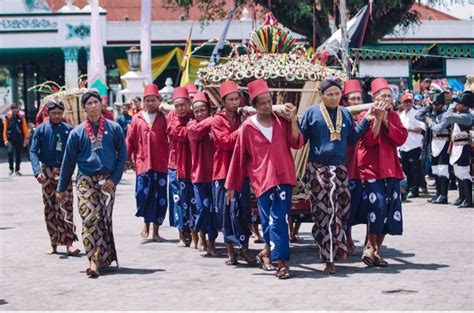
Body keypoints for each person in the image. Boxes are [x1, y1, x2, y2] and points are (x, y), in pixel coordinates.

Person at [226, 79, 304, 279]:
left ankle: (281, 263)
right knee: (269, 222)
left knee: (279, 219)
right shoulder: (248, 128)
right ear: (254, 106)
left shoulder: (282, 121)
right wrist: (232, 186)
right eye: (262, 103)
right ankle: (269, 254)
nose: (267, 106)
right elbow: (239, 157)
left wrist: (293, 119)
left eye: (269, 101)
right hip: (262, 180)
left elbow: (296, 143)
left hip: (284, 176)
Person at [299, 78, 375, 274]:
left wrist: (366, 120)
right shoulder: (312, 113)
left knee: (341, 211)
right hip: (318, 170)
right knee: (325, 213)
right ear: (321, 94)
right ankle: (329, 259)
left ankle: (323, 239)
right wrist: (290, 121)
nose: (334, 98)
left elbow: (350, 140)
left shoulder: (345, 114)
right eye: (330, 94)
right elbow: (299, 140)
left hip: (340, 170)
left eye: (337, 94)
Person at [56, 91, 127, 278]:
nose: (93, 106)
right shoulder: (76, 132)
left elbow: (123, 155)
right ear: (84, 107)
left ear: (101, 105)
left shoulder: (114, 128)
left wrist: (114, 179)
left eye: (96, 102)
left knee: (103, 220)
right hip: (85, 180)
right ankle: (92, 262)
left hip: (107, 181)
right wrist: (61, 188)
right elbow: (68, 161)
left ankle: (103, 257)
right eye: (89, 103)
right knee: (89, 219)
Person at [358, 78, 408, 268]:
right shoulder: (365, 114)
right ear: (373, 97)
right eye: (382, 95)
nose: (386, 99)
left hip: (391, 169)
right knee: (377, 206)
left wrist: (386, 120)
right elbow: (370, 141)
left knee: (389, 209)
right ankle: (369, 245)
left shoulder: (394, 116)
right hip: (371, 169)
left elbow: (400, 139)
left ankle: (377, 250)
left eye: (389, 95)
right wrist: (377, 119)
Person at [211, 81, 255, 266]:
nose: (235, 103)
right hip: (223, 173)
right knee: (225, 212)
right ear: (224, 101)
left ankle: (245, 248)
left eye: (237, 98)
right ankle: (231, 252)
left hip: (241, 172)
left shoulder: (242, 118)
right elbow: (226, 142)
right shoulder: (217, 121)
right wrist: (243, 128)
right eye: (231, 99)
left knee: (243, 211)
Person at [29, 100, 80, 256]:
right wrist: (38, 172)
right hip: (47, 173)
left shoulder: (70, 130)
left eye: (59, 113)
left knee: (67, 206)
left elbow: (76, 152)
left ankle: (69, 243)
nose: (57, 116)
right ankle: (54, 243)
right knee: (50, 208)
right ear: (47, 113)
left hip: (65, 172)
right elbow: (33, 151)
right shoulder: (41, 130)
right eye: (54, 113)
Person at [126, 84, 169, 241]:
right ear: (143, 102)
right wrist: (125, 159)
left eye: (153, 100)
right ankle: (146, 222)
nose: (150, 103)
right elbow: (129, 140)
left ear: (159, 100)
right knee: (143, 194)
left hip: (161, 164)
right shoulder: (136, 119)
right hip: (143, 164)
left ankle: (156, 231)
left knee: (160, 198)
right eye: (147, 100)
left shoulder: (164, 117)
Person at [167, 87, 198, 248]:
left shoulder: (195, 116)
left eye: (183, 105)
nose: (180, 108)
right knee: (178, 201)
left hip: (193, 166)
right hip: (176, 167)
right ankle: (181, 235)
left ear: (189, 103)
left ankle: (195, 236)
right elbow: (179, 133)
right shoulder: (173, 119)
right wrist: (196, 128)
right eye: (177, 105)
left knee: (194, 201)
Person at [187, 92, 218, 255]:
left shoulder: (216, 125)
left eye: (202, 110)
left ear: (208, 109)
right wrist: (214, 117)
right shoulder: (191, 126)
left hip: (215, 174)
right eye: (196, 111)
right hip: (198, 175)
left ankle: (211, 243)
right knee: (203, 208)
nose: (199, 114)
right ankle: (198, 233)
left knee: (214, 210)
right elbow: (199, 130)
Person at [341, 79, 369, 256]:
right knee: (348, 208)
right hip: (349, 167)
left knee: (370, 207)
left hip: (367, 168)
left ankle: (369, 241)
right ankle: (348, 239)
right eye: (353, 99)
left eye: (359, 99)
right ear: (346, 102)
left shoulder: (368, 115)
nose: (357, 102)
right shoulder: (342, 117)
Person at [435, 91, 473, 207]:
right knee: (458, 172)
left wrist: (451, 106)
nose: (457, 105)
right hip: (457, 146)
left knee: (463, 173)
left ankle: (468, 199)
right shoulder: (461, 114)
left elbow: (448, 116)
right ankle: (462, 197)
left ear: (466, 106)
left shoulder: (466, 116)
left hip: (463, 148)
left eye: (460, 103)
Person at [416, 92, 451, 204]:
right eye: (434, 104)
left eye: (437, 104)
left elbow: (439, 129)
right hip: (434, 145)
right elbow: (417, 115)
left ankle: (444, 196)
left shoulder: (446, 115)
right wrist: (428, 106)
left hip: (444, 144)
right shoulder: (432, 113)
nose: (435, 106)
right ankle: (438, 194)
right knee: (435, 171)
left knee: (443, 171)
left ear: (442, 104)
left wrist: (430, 123)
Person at [398, 93, 426, 198]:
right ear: (402, 103)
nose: (408, 103)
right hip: (403, 146)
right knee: (406, 169)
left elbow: (421, 128)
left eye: (410, 101)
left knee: (415, 169)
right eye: (406, 102)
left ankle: (415, 190)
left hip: (414, 145)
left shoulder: (417, 113)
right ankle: (409, 188)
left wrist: (408, 129)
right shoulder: (400, 115)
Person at [3, 103, 29, 176]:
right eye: (12, 108)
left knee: (18, 154)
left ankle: (17, 170)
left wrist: (26, 138)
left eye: (15, 108)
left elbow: (25, 128)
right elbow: (5, 129)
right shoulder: (8, 117)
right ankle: (11, 169)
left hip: (19, 138)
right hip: (10, 138)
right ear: (11, 109)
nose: (14, 110)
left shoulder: (21, 117)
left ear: (17, 108)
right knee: (10, 152)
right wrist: (5, 139)